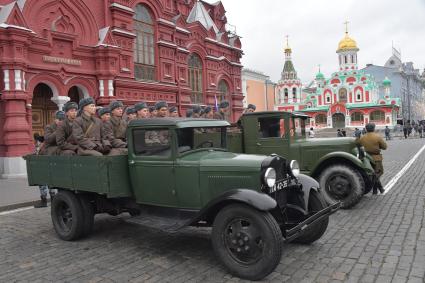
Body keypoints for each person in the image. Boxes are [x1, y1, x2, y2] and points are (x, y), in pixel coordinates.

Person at [357, 123, 387, 194]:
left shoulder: (362, 138)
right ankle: (378, 189)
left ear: (366, 129)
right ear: (374, 128)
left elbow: (358, 146)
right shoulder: (377, 137)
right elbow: (384, 147)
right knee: (378, 173)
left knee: (372, 174)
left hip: (367, 158)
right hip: (376, 158)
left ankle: (377, 189)